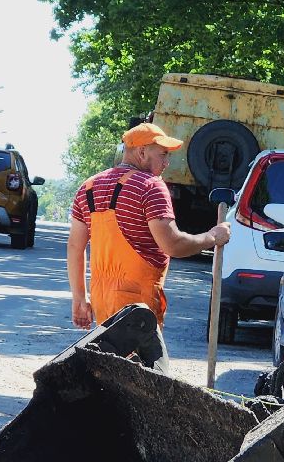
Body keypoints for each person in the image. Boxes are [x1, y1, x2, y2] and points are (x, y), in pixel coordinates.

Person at [68, 122, 231, 332]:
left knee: (109, 352)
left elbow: (75, 246)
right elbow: (173, 245)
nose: (167, 162)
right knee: (139, 354)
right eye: (163, 154)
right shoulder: (150, 186)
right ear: (142, 152)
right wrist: (212, 237)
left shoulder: (88, 187)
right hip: (138, 306)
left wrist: (80, 298)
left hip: (102, 300)